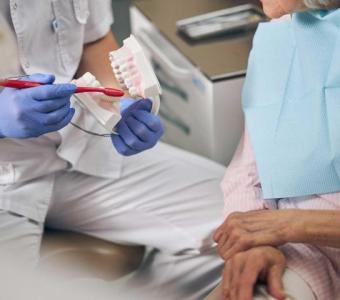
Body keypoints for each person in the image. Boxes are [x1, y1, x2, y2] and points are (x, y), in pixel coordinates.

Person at [0, 1, 225, 299]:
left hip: (79, 148)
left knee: (242, 222)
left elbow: (93, 41)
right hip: (6, 183)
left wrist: (119, 104)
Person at [210, 0, 340, 299]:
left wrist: (294, 225)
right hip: (299, 251)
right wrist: (256, 243)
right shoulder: (284, 33)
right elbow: (247, 171)